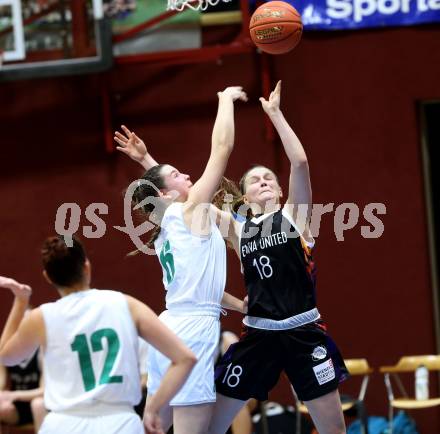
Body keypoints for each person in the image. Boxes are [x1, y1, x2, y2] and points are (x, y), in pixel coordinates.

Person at [206, 80, 349, 434]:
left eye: (270, 177)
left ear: (282, 189)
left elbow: (299, 161)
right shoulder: (238, 230)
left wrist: (276, 114)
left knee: (334, 430)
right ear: (245, 196)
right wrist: (148, 161)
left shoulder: (294, 217)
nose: (265, 180)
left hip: (303, 330)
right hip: (259, 335)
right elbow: (192, 203)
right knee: (211, 426)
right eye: (255, 180)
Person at [114, 86, 248, 434]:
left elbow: (205, 292)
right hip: (192, 334)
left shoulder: (166, 223)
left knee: (157, 427)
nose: (188, 175)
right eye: (178, 174)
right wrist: (223, 98)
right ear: (166, 193)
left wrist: (146, 161)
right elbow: (223, 147)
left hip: (171, 327)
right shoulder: (189, 211)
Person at [0, 236, 196, 434]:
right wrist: (153, 409)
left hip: (64, 424)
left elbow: (5, 356)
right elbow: (185, 358)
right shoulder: (127, 304)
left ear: (48, 277)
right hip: (120, 423)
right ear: (87, 267)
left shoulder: (41, 317)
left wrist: (20, 301)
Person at [0, 346, 44, 433]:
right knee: (3, 407)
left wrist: (14, 395)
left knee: (38, 404)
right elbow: (1, 383)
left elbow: (44, 391)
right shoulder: (6, 351)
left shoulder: (41, 351)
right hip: (18, 409)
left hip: (39, 404)